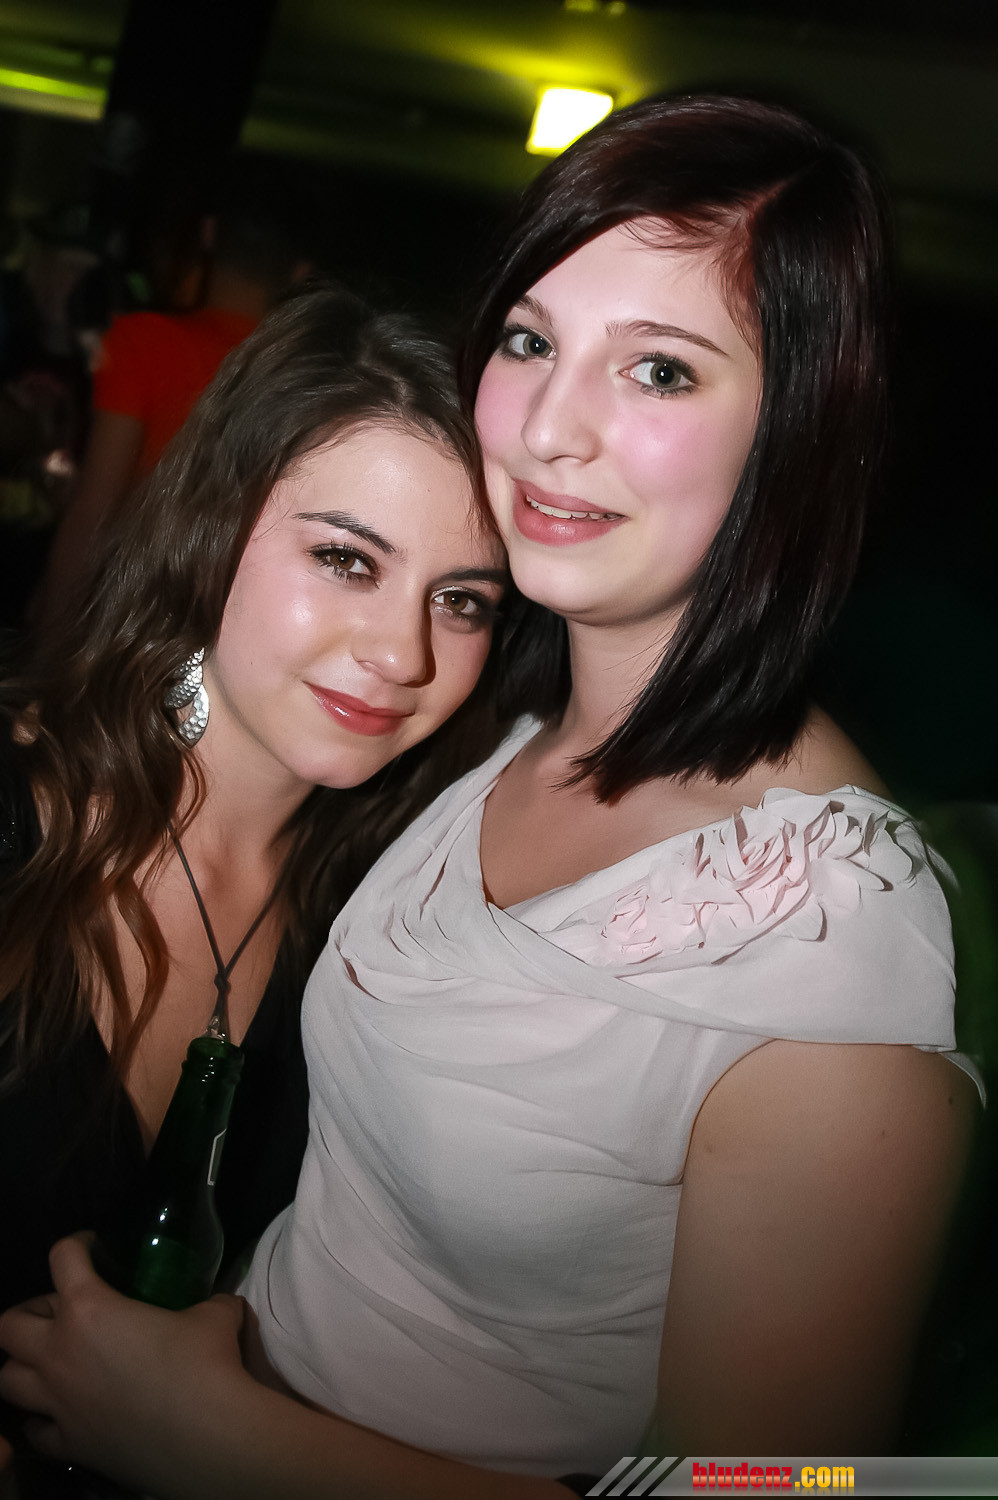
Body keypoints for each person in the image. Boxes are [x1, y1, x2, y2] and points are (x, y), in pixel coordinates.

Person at [0, 94, 978, 1495]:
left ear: (800, 428)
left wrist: (214, 1438)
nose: (548, 429)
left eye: (658, 370)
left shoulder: (830, 925)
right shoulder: (484, 753)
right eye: (527, 341)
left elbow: (796, 1490)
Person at [0, 279, 508, 1327]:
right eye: (345, 559)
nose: (401, 654)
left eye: (461, 600)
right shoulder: (23, 817)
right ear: (213, 530)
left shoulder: (383, 925)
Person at [31, 199, 312, 630]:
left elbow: (95, 506)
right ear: (301, 272)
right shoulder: (307, 375)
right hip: (223, 615)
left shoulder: (143, 341)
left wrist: (50, 631)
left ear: (209, 233)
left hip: (128, 611)